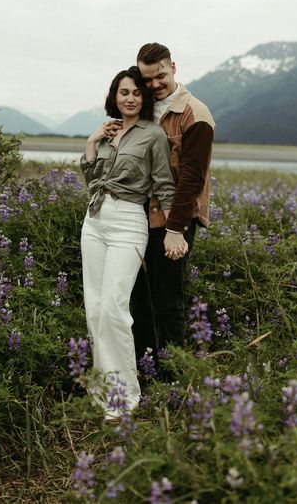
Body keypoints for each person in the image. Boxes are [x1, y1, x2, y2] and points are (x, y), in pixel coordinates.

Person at [80, 66, 176, 416]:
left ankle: (126, 400)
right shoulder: (108, 133)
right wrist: (92, 142)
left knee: (114, 310)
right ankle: (102, 393)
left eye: (136, 92)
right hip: (94, 220)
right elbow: (92, 180)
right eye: (124, 92)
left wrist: (172, 230)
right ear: (115, 97)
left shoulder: (154, 135)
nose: (131, 98)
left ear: (144, 97)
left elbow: (165, 184)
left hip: (128, 222)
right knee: (94, 310)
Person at [130, 43, 215, 364]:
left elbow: (193, 179)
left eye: (160, 76)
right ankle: (144, 366)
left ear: (173, 67)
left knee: (167, 298)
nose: (153, 85)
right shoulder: (142, 108)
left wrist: (175, 229)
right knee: (139, 297)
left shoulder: (195, 113)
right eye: (147, 78)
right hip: (138, 213)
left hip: (174, 218)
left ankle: (172, 375)